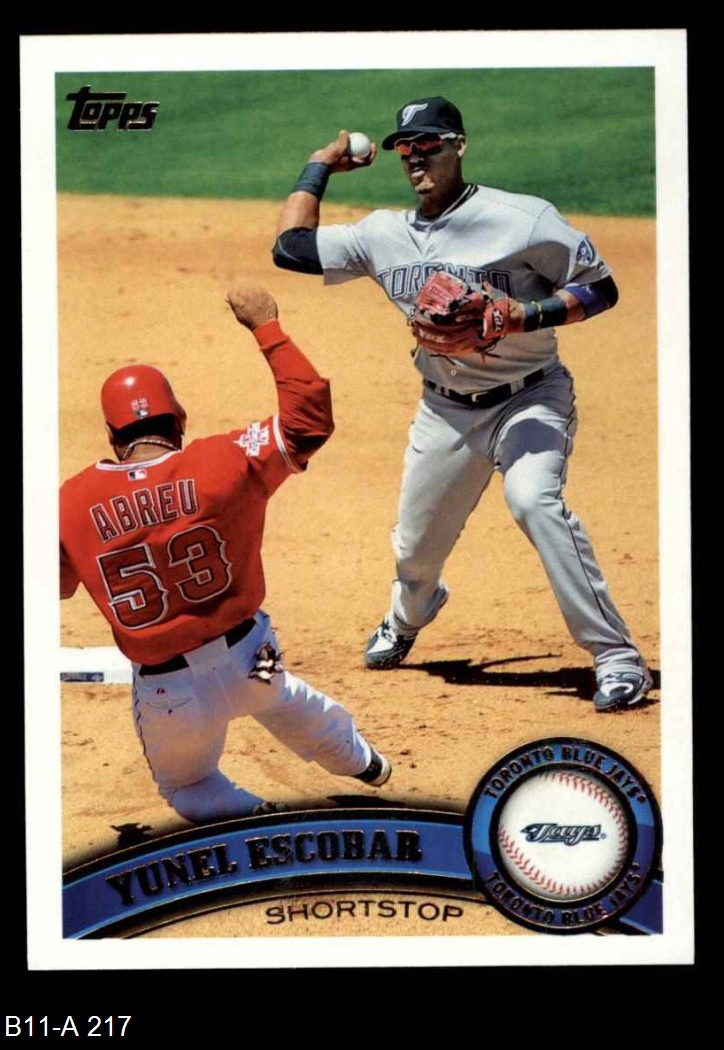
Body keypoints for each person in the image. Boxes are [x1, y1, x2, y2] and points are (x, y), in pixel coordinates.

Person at [273, 96, 652, 714]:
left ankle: (616, 657)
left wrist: (521, 314)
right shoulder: (383, 234)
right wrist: (319, 164)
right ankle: (408, 616)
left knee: (534, 501)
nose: (415, 157)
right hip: (444, 411)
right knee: (415, 550)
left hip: (530, 396)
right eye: (405, 148)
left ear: (459, 146)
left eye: (429, 144)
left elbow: (600, 288)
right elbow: (290, 247)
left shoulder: (521, 220)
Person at [59, 286, 391, 824]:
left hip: (169, 696)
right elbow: (308, 422)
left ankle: (260, 817)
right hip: (254, 659)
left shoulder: (69, 502)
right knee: (281, 697)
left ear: (112, 436)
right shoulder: (225, 460)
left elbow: (54, 585)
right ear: (180, 418)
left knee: (186, 787)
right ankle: (363, 762)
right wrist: (267, 327)